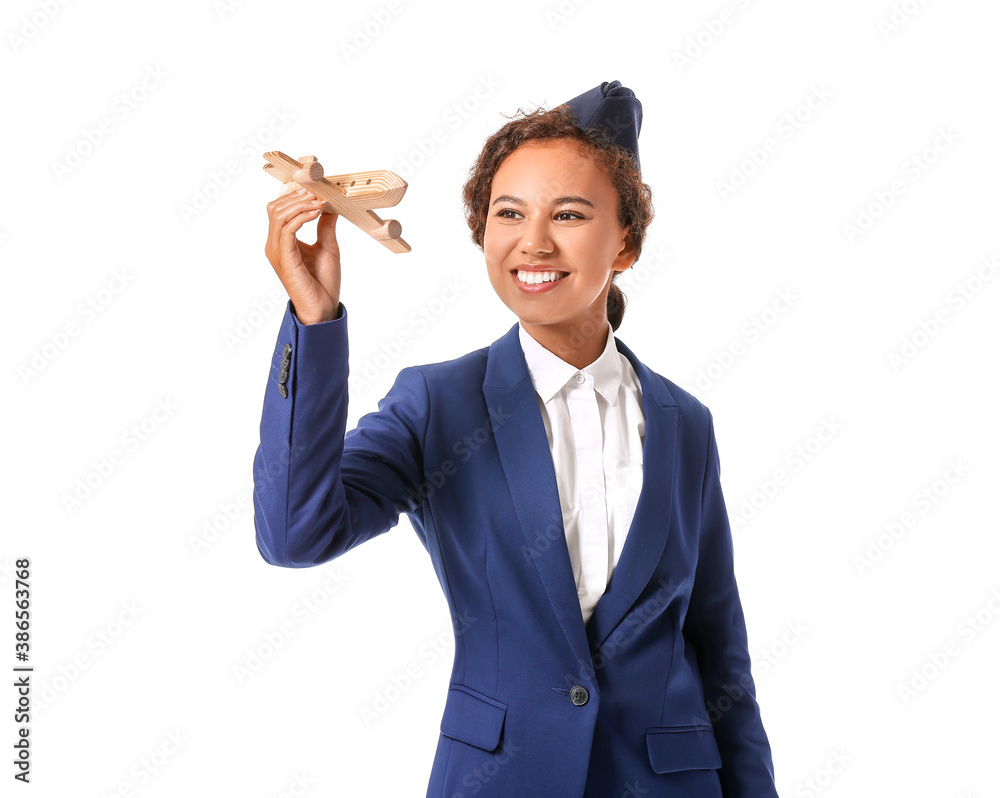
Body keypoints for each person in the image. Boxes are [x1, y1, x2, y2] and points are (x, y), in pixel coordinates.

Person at [253, 80, 779, 797]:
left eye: (568, 213)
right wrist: (314, 325)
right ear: (483, 233)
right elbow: (295, 534)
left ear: (624, 242)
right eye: (509, 213)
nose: (533, 242)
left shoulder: (686, 422)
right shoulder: (438, 404)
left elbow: (722, 656)